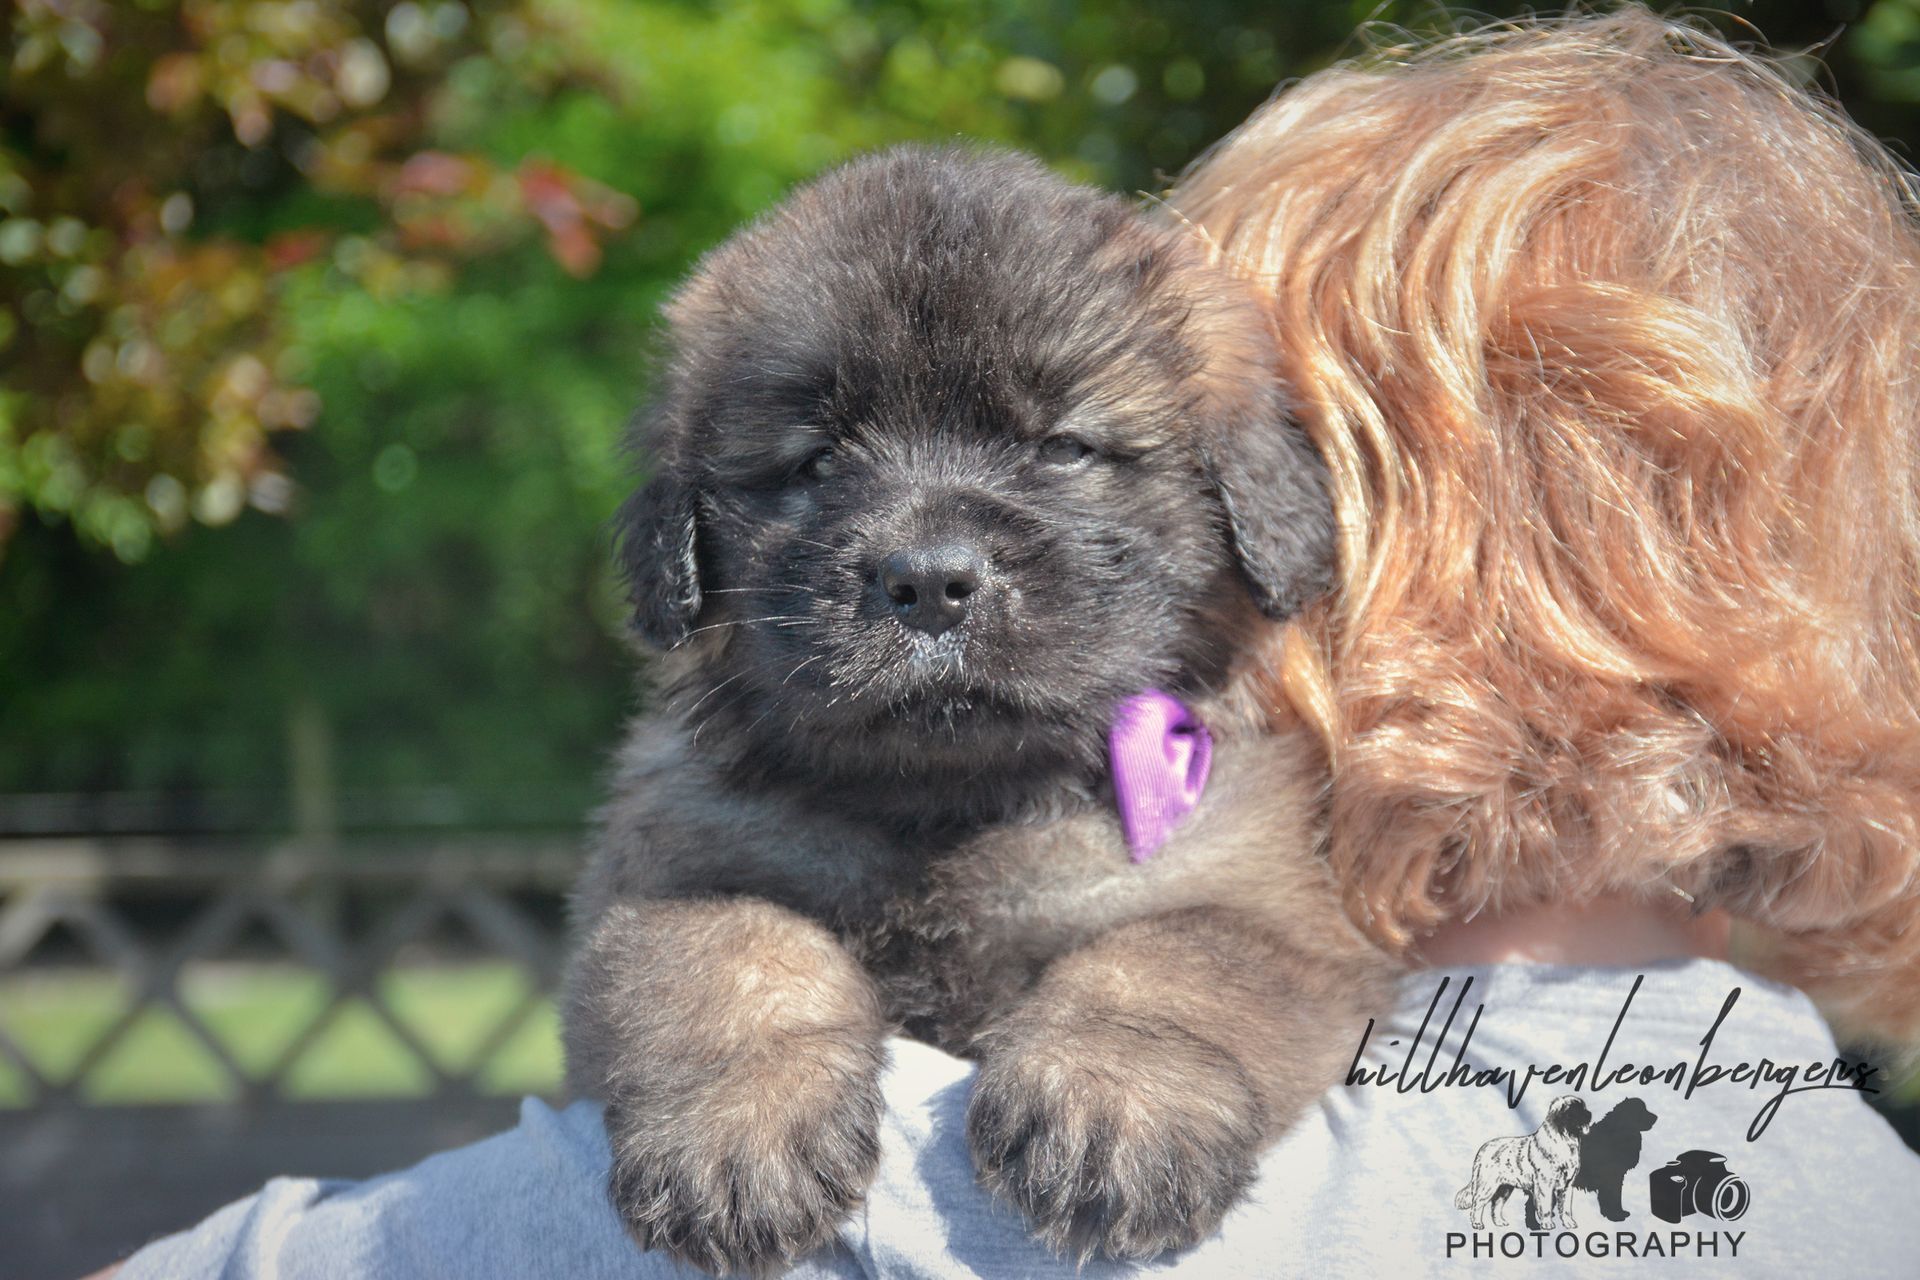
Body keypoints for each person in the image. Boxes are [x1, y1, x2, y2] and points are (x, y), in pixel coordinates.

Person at [104, 9, 1920, 1277]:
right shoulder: (1848, 1182)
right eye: (813, 472)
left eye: (1073, 454)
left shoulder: (915, 1207)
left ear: (1327, 540)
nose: (931, 550)